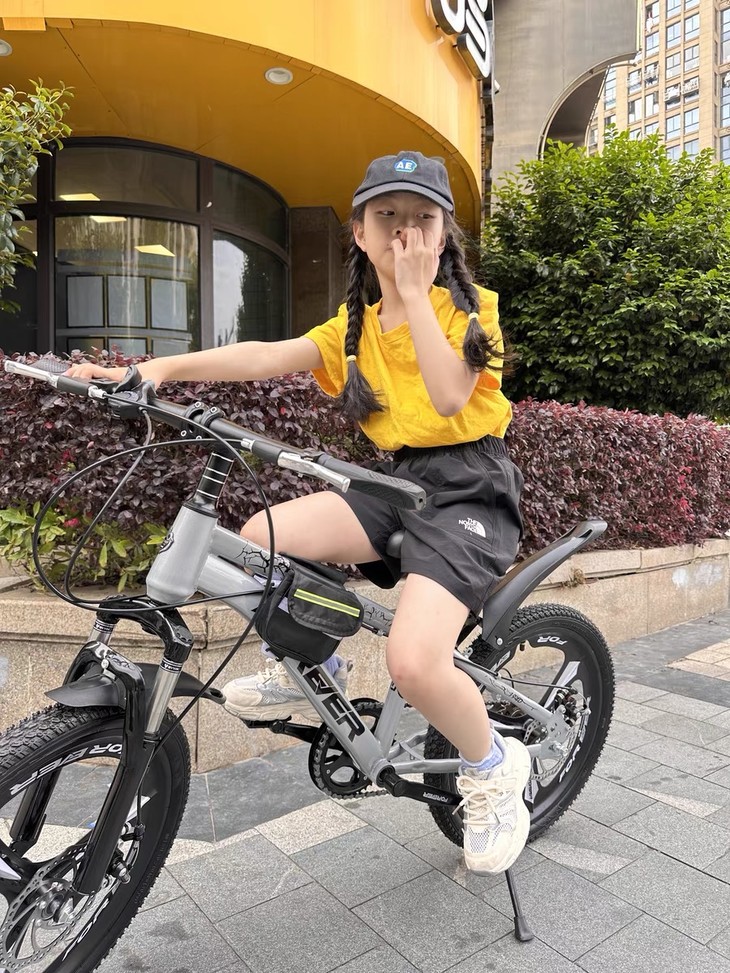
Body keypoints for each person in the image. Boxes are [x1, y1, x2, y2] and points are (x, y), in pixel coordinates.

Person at [65, 150, 530, 875]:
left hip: (472, 486)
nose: (404, 230)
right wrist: (160, 368)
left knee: (414, 661)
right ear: (359, 234)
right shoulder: (352, 329)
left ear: (444, 237)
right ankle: (317, 660)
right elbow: (262, 355)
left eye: (422, 218)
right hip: (398, 479)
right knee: (261, 540)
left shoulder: (475, 312)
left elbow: (447, 398)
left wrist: (415, 295)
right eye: (387, 215)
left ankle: (495, 765)